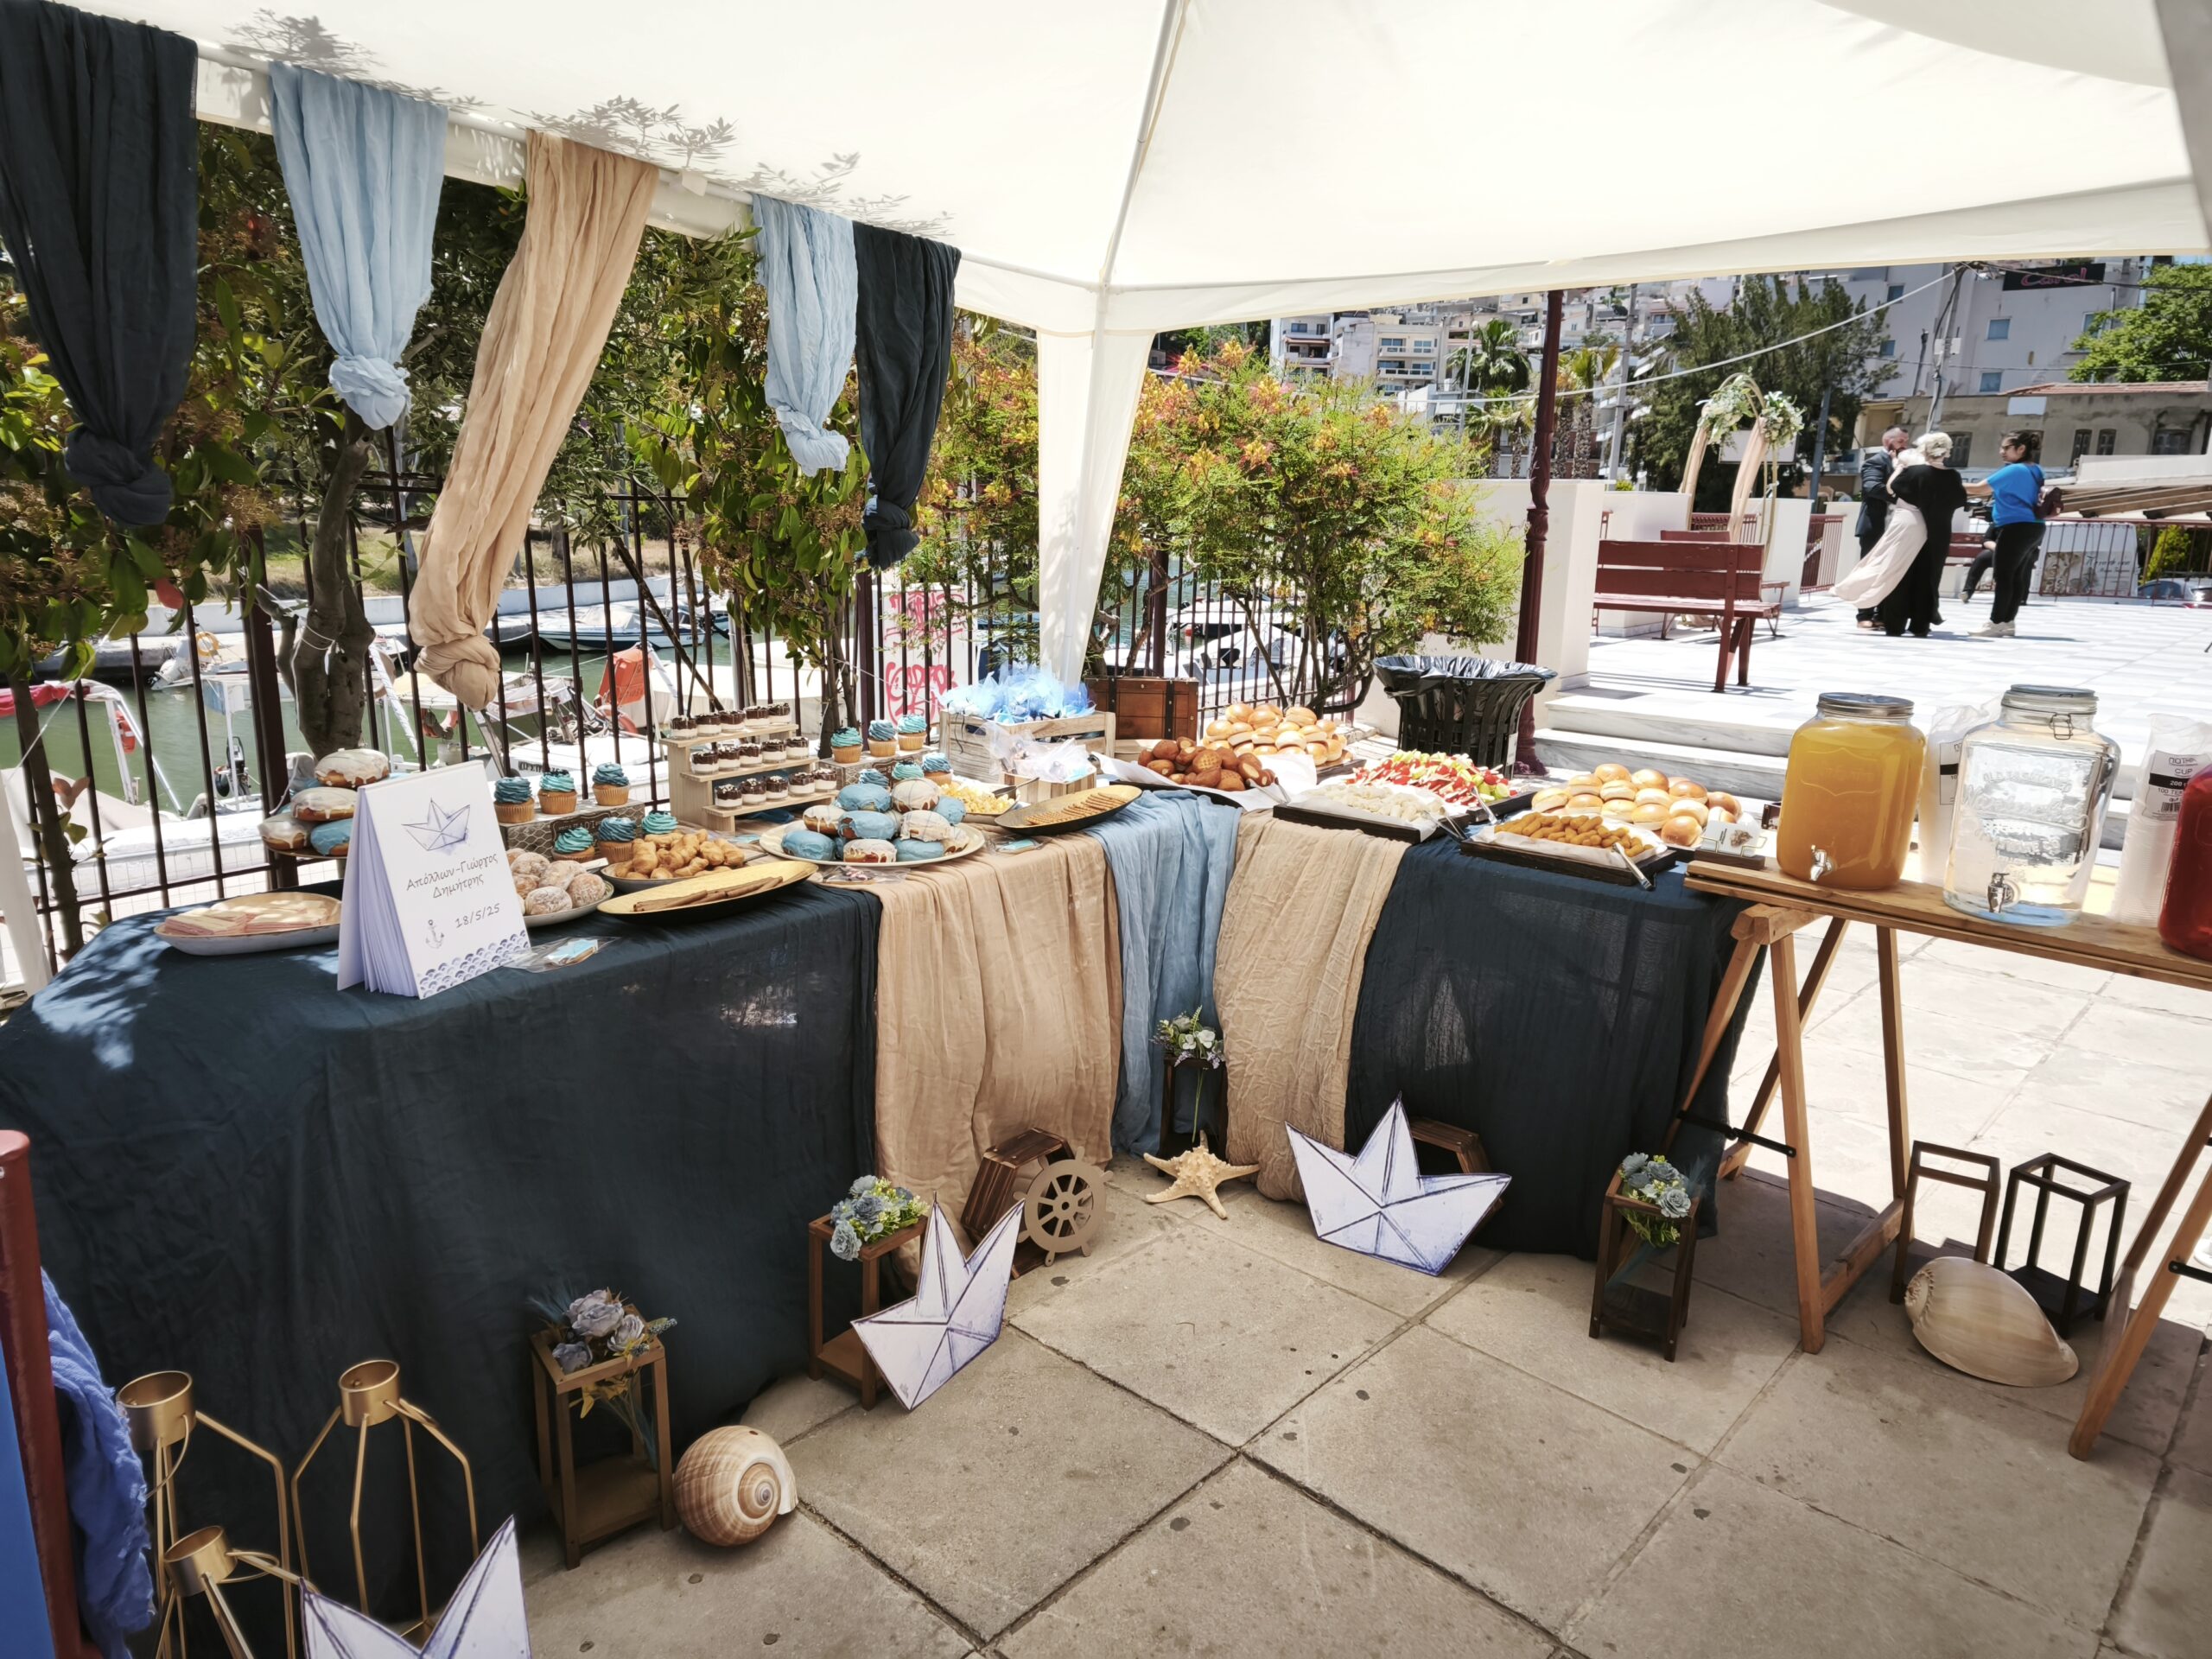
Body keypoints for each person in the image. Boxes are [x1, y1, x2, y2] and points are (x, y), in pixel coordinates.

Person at [1880, 431, 1969, 637]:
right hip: (1939, 533)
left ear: (1923, 450)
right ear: (1947, 452)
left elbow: (1892, 488)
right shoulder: (1953, 476)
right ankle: (1921, 625)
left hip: (1913, 530)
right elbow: (1959, 500)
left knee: (1902, 574)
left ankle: (1895, 624)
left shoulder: (1914, 472)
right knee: (1929, 578)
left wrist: (1899, 468)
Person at [1967, 431, 2045, 638]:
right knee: (2016, 576)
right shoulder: (2035, 469)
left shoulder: (2014, 470)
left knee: (2003, 576)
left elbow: (1979, 489)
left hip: (2015, 527)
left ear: (2021, 449)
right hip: (2033, 526)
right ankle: (2008, 622)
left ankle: (1995, 622)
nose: (2001, 451)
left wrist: (1946, 482)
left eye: (2006, 448)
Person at [1853, 427, 1912, 626]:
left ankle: (1883, 615)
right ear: (1888, 442)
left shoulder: (1906, 464)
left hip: (1897, 528)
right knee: (1870, 571)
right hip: (1875, 526)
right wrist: (1902, 496)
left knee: (1891, 571)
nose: (1905, 445)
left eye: (1906, 441)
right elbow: (1872, 487)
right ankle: (1864, 615)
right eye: (1901, 441)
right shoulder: (1875, 462)